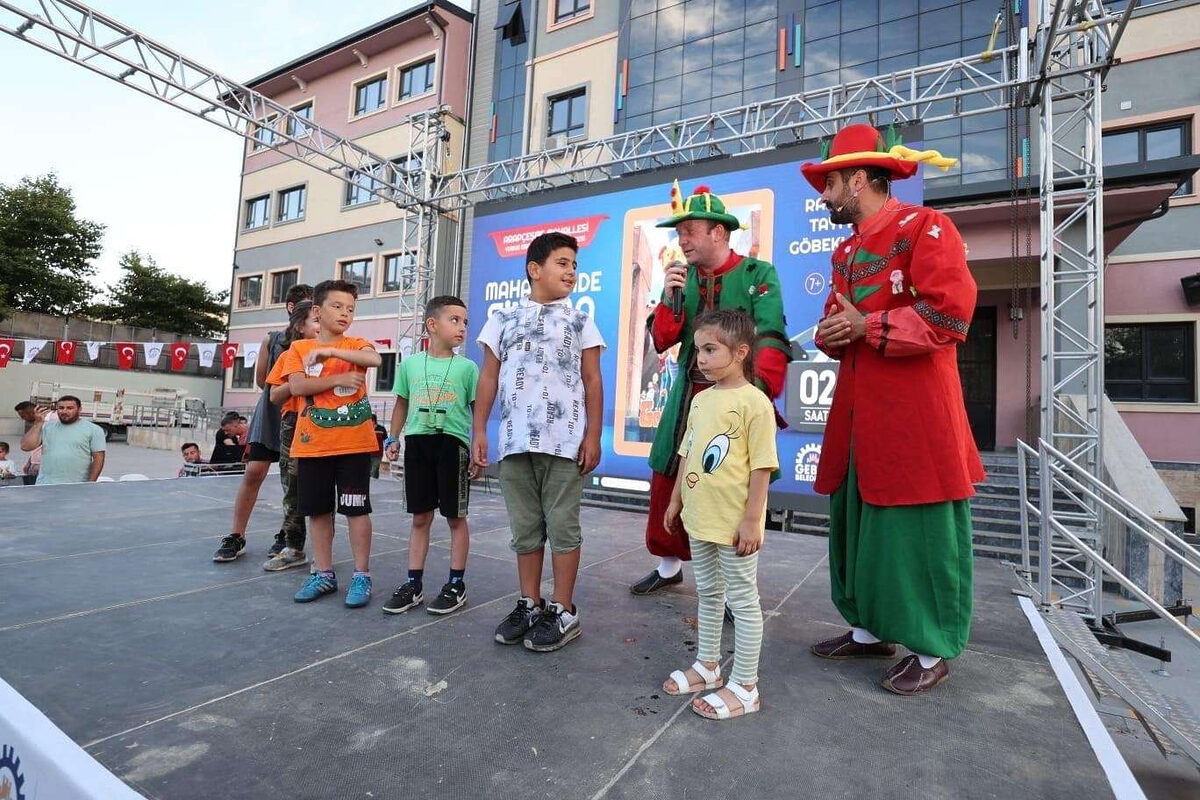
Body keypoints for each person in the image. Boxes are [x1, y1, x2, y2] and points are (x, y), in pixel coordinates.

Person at [802, 123, 983, 696]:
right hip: (858, 414)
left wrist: (868, 324)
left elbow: (951, 316)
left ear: (859, 179)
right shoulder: (847, 251)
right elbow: (842, 323)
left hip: (916, 417)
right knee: (855, 523)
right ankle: (867, 629)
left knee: (918, 532)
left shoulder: (927, 228)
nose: (823, 196)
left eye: (829, 184)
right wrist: (834, 333)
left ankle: (930, 651)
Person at [630, 183, 790, 596]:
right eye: (679, 234)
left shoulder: (758, 275)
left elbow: (771, 335)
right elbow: (664, 339)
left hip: (738, 398)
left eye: (690, 232)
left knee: (729, 489)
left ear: (719, 232)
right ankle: (668, 567)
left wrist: (757, 394)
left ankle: (737, 589)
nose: (682, 241)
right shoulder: (681, 281)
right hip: (688, 398)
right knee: (668, 475)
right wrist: (669, 299)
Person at [472, 232, 604, 652]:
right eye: (562, 263)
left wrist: (594, 435)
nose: (570, 272)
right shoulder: (503, 319)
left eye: (574, 266)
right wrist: (479, 429)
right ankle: (530, 602)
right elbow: (489, 377)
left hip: (565, 444)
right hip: (514, 443)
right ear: (535, 269)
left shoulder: (581, 320)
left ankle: (565, 610)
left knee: (563, 527)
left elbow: (592, 380)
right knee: (525, 529)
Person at [662, 310, 777, 720]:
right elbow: (687, 452)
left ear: (741, 352)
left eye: (711, 350)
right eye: (698, 351)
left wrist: (751, 519)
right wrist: (675, 501)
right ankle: (708, 667)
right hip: (700, 516)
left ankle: (745, 686)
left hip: (734, 524)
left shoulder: (755, 403)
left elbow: (762, 466)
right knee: (708, 595)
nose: (702, 359)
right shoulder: (701, 399)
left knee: (743, 602)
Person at [275, 280, 381, 607]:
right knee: (318, 511)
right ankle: (323, 574)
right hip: (311, 445)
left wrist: (333, 351)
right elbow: (295, 386)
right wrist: (337, 378)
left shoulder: (357, 344)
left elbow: (374, 360)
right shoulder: (299, 350)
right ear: (318, 311)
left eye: (351, 309)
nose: (345, 314)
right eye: (337, 307)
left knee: (356, 509)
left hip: (354, 445)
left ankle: (361, 575)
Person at [383, 296, 479, 616]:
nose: (462, 327)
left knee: (455, 517)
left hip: (453, 446)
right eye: (454, 320)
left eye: (465, 322)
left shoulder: (468, 368)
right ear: (432, 325)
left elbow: (478, 411)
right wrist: (393, 438)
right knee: (420, 517)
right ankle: (414, 584)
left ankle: (455, 583)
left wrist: (478, 448)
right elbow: (401, 403)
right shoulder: (410, 364)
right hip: (418, 444)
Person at [212, 282, 313, 563]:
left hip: (301, 416)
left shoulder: (320, 344)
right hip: (271, 413)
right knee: (254, 471)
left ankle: (287, 532)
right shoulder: (273, 339)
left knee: (293, 479)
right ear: (292, 309)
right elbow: (261, 381)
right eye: (307, 306)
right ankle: (236, 535)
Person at [263, 299, 321, 571]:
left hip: (324, 423)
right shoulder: (289, 355)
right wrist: (295, 381)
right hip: (294, 424)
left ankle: (324, 556)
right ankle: (294, 546)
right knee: (293, 489)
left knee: (323, 489)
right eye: (316, 320)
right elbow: (274, 394)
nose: (322, 326)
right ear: (300, 326)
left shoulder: (335, 352)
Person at [20, 396, 106, 485]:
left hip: (77, 486)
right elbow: (26, 446)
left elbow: (98, 460)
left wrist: (90, 484)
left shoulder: (94, 430)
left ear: (79, 409)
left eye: (70, 408)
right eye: (61, 408)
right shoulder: (46, 427)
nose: (64, 411)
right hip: (45, 484)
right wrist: (37, 423)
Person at [14, 401, 44, 485]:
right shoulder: (37, 424)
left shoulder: (46, 423)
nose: (22, 419)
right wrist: (30, 462)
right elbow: (37, 446)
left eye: (23, 416)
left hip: (42, 466)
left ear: (31, 413)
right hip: (34, 464)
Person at [369, 414, 387, 479]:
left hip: (378, 454)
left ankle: (373, 482)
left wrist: (387, 450)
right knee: (370, 470)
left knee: (374, 469)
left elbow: (385, 440)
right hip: (368, 453)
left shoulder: (381, 429)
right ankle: (375, 482)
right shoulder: (367, 429)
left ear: (374, 421)